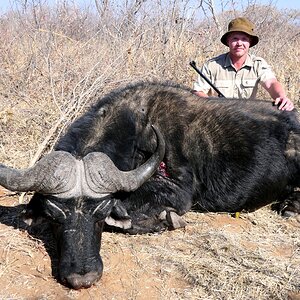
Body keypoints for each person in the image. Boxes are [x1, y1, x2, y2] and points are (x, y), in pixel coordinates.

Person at [193, 17, 294, 111]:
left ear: (249, 42)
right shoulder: (212, 65)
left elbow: (271, 83)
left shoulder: (258, 64)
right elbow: (198, 92)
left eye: (244, 39)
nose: (239, 43)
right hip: (218, 117)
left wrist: (281, 97)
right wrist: (215, 106)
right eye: (235, 39)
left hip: (246, 119)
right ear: (228, 41)